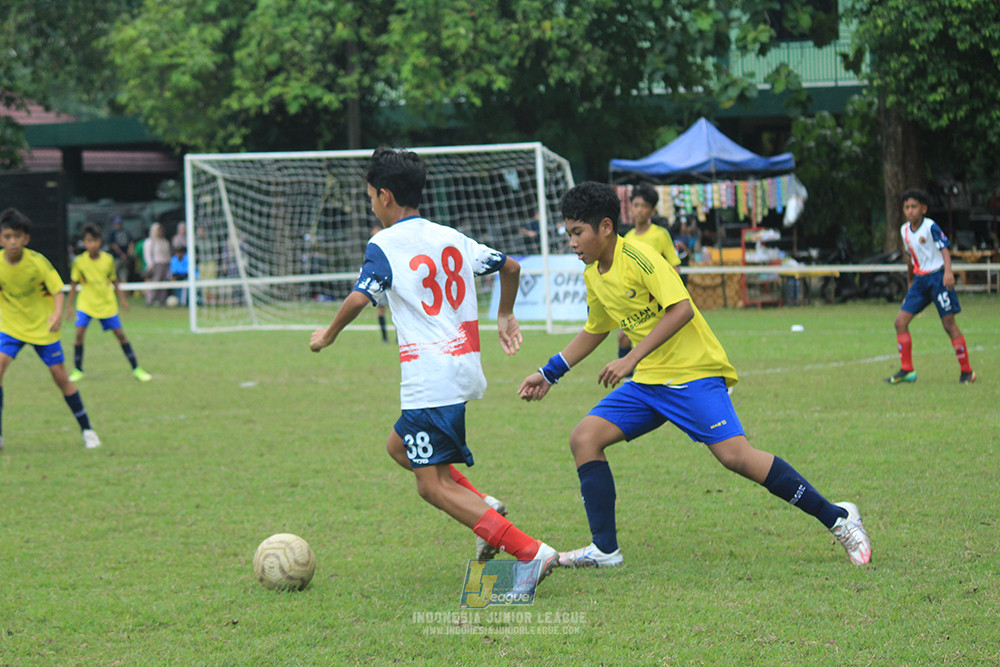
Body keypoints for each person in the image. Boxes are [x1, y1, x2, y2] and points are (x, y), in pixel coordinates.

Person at [516, 182, 872, 568]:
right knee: (585, 438)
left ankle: (838, 518)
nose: (572, 242)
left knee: (735, 457)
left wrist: (629, 358)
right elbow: (596, 328)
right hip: (650, 382)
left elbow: (682, 308)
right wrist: (549, 373)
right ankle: (605, 550)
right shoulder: (593, 275)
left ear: (604, 227)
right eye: (568, 233)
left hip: (694, 374)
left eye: (577, 232)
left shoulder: (641, 257)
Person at [310, 147, 559, 589]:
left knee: (431, 485)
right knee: (399, 446)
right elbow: (512, 266)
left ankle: (530, 552)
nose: (371, 204)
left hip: (430, 375)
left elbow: (358, 297)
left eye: (370, 196)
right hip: (462, 367)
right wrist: (504, 314)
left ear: (385, 196)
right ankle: (484, 504)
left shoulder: (384, 243)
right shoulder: (450, 236)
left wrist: (327, 334)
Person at [0, 208, 101, 450]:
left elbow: (57, 289)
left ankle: (88, 430)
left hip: (42, 328)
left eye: (17, 236)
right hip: (11, 327)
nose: (12, 241)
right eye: (7, 236)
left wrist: (57, 313)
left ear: (26, 238)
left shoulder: (37, 263)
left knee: (60, 378)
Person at [886, 189, 976, 385]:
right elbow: (910, 257)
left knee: (948, 324)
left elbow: (944, 249)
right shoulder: (905, 231)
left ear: (923, 209)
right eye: (906, 207)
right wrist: (910, 282)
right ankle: (907, 370)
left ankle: (967, 372)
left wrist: (948, 272)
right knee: (900, 322)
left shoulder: (930, 227)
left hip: (938, 279)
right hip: (920, 281)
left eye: (913, 207)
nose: (910, 211)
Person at [65, 224, 153, 383]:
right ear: (84, 243)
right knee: (79, 335)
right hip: (86, 303)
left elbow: (114, 280)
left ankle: (136, 368)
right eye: (88, 241)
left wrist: (123, 300)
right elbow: (73, 284)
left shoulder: (108, 260)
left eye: (94, 241)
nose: (91, 244)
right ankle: (78, 370)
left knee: (120, 335)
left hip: (107, 303)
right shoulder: (79, 261)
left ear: (100, 242)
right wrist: (69, 306)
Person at [617, 184, 683, 364]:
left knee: (661, 343)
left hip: (658, 300)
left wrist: (672, 294)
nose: (639, 210)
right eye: (636, 205)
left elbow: (674, 264)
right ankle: (628, 379)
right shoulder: (627, 238)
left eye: (644, 206)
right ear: (630, 207)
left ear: (652, 210)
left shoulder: (660, 235)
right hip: (637, 300)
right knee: (623, 337)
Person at [369, 225, 390, 343]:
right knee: (381, 309)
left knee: (397, 309)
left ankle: (399, 338)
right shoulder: (372, 248)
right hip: (380, 283)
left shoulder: (388, 246)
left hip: (391, 281)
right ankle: (385, 338)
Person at [143, 223, 172, 306]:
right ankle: (150, 300)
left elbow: (167, 254)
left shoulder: (164, 241)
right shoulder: (149, 242)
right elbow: (147, 254)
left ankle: (161, 300)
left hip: (165, 264)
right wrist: (150, 265)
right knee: (154, 283)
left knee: (163, 283)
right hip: (156, 264)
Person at [107, 217, 134, 284]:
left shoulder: (115, 232)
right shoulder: (124, 231)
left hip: (119, 257)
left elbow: (114, 245)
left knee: (120, 274)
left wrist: (126, 254)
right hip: (119, 257)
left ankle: (123, 292)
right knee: (118, 274)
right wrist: (125, 254)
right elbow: (115, 245)